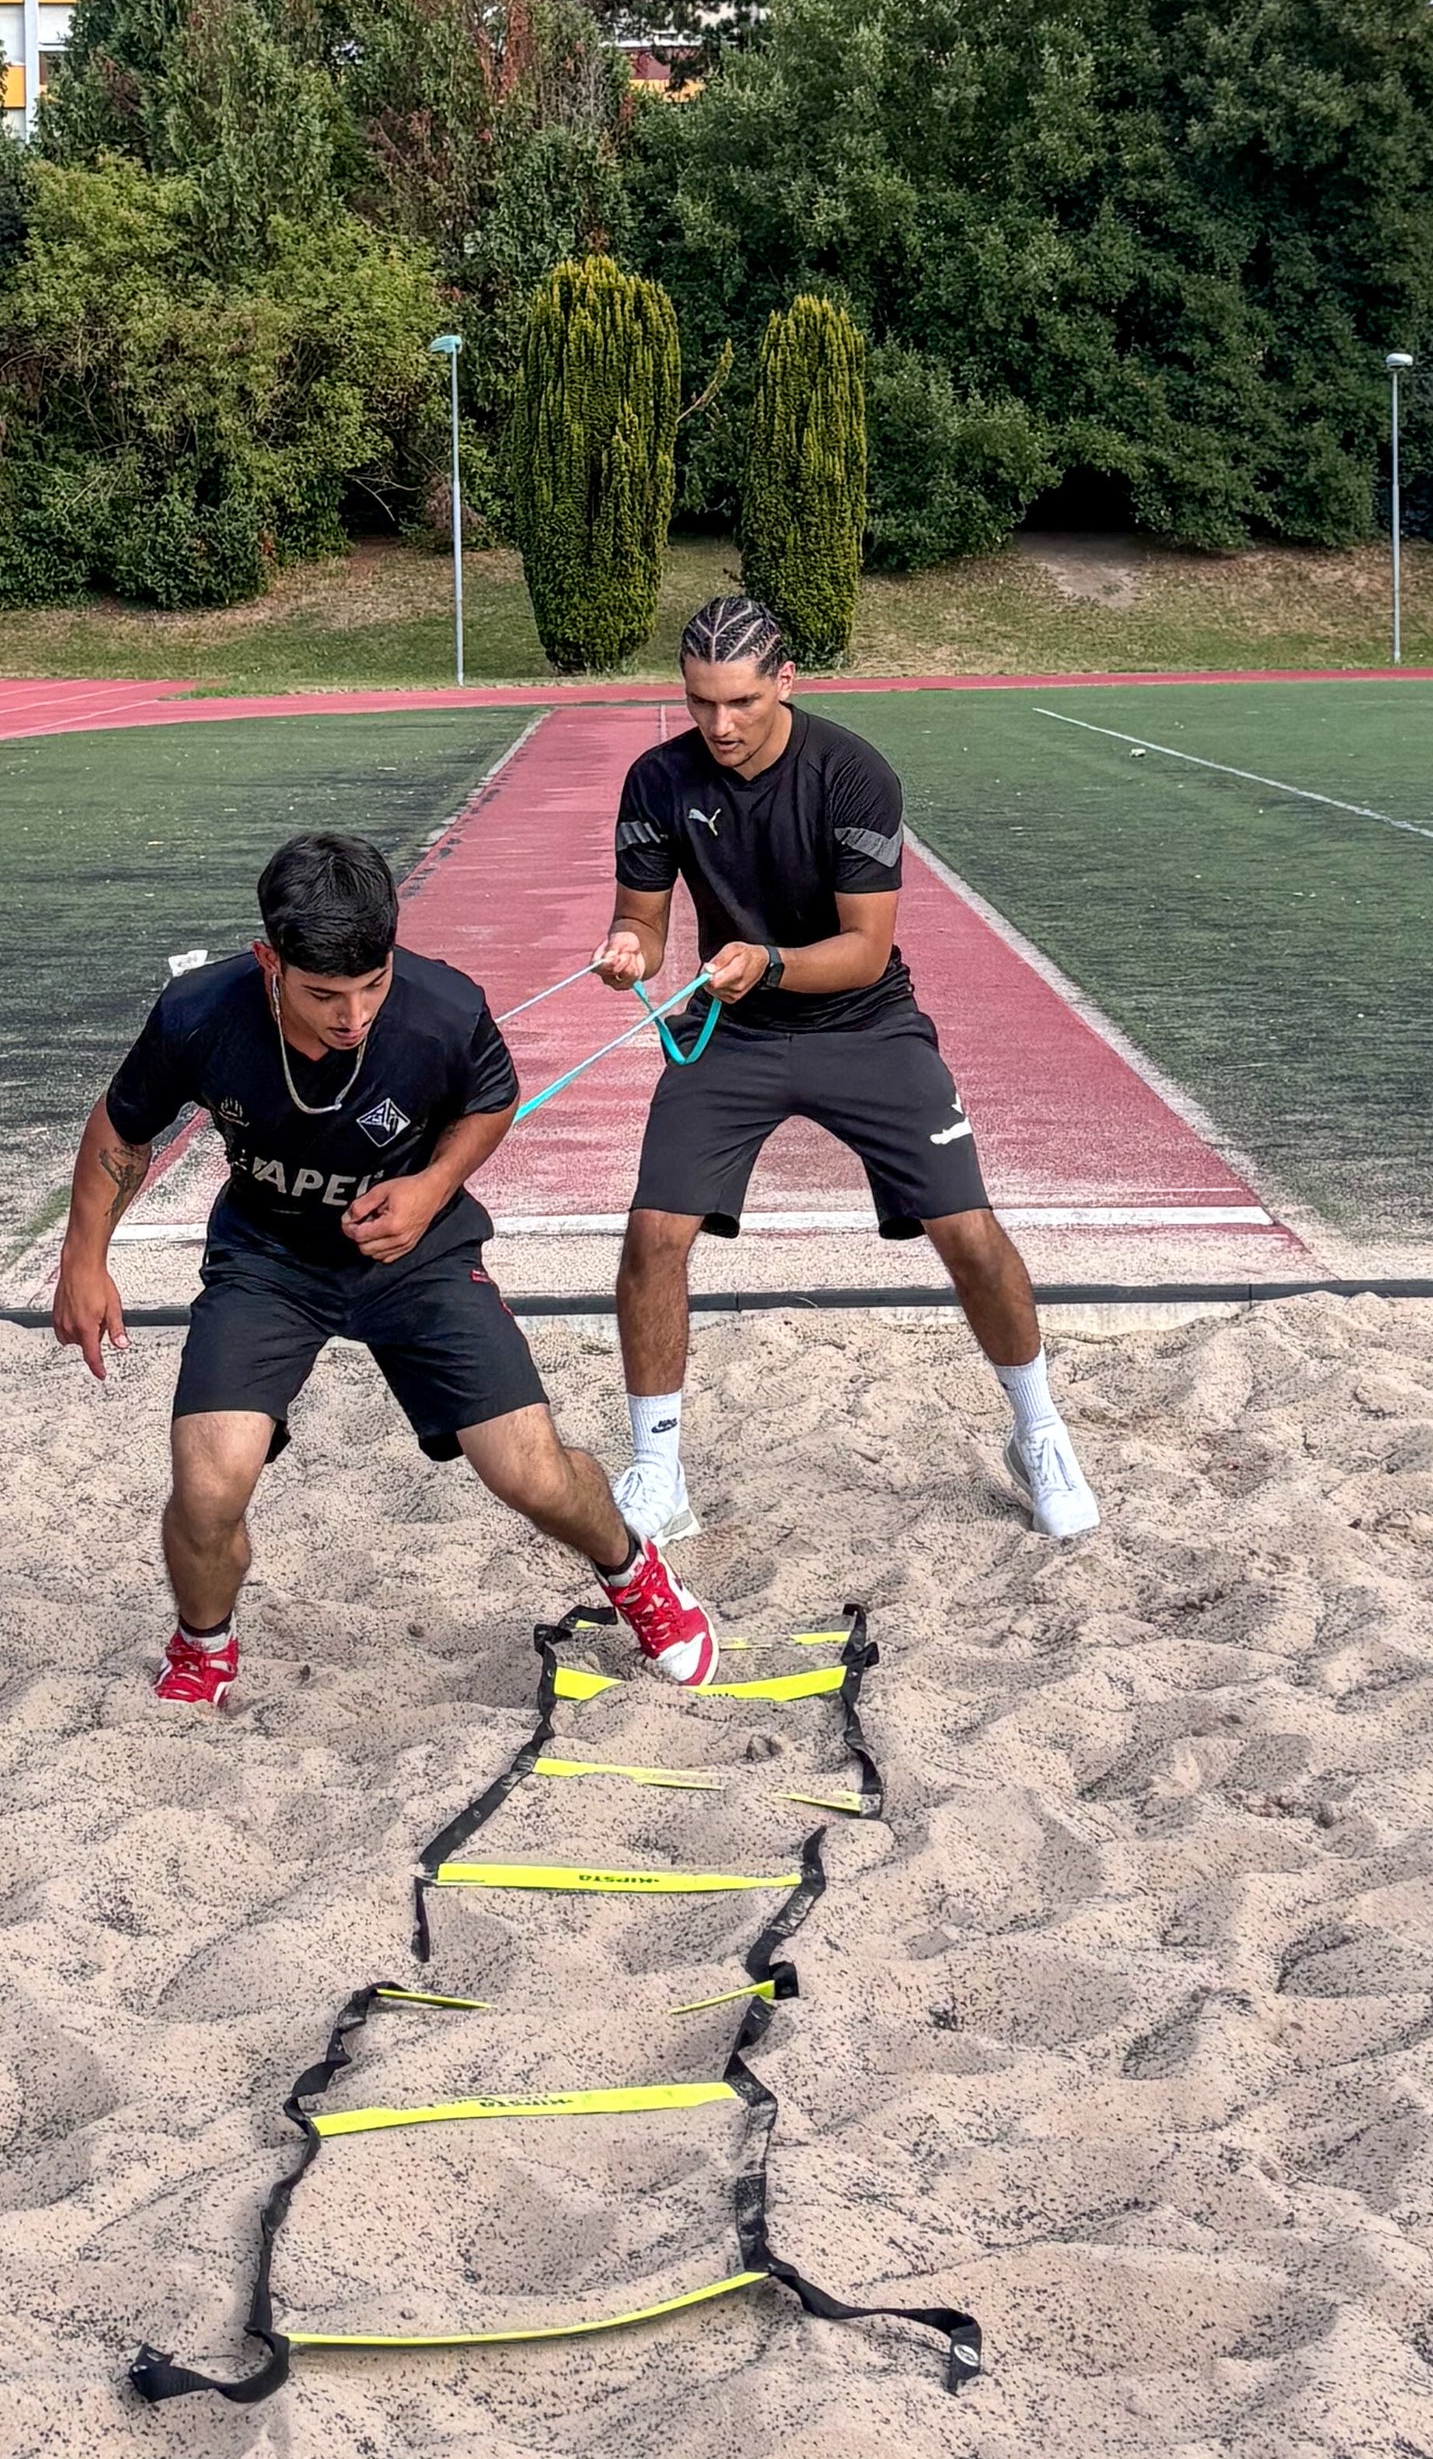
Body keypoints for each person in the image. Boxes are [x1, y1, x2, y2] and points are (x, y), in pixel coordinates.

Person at [54, 831, 719, 1704]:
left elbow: (493, 1098)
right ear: (268, 961)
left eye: (372, 985)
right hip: (268, 1258)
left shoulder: (443, 1007)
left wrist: (431, 1186)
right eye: (325, 994)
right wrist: (83, 1257)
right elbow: (122, 1125)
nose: (354, 1015)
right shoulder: (199, 1012)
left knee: (530, 1472)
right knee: (209, 1484)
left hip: (420, 1257)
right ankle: (203, 1643)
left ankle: (633, 1570)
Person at [595, 595, 1099, 1546]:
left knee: (968, 1231)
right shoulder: (657, 779)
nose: (719, 724)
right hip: (733, 1030)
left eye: (741, 701)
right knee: (653, 1236)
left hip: (865, 1024)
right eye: (700, 701)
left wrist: (768, 963)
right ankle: (659, 1472)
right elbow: (645, 921)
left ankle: (1038, 1432)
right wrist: (629, 948)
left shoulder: (853, 774)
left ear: (785, 681)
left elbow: (865, 950)